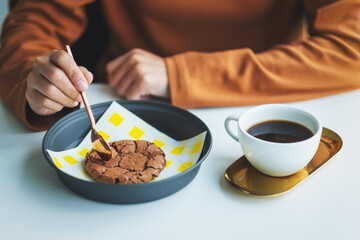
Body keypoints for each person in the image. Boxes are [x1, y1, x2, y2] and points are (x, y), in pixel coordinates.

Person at [0, 0, 359, 131]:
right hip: (128, 104)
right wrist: (35, 81)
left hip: (278, 107)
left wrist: (180, 74)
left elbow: (352, 46)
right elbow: (33, 19)